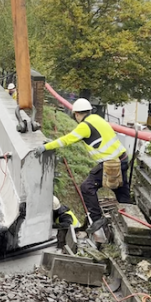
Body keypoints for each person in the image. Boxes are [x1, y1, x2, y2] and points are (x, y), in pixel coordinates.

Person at [35, 98, 130, 234]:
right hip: (123, 160)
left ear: (77, 114)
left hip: (111, 163)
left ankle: (96, 219)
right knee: (123, 196)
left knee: (87, 187)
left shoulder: (85, 126)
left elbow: (67, 140)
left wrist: (45, 147)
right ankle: (131, 222)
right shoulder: (97, 119)